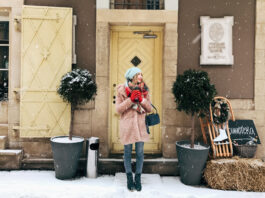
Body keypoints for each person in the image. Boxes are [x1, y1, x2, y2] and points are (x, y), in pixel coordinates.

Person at [115, 67, 152, 191]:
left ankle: (138, 178)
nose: (140, 77)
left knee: (140, 153)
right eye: (138, 74)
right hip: (128, 126)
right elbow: (118, 109)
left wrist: (142, 100)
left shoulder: (145, 90)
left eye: (141, 74)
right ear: (131, 77)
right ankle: (129, 178)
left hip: (141, 126)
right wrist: (130, 100)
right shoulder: (121, 90)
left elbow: (149, 108)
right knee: (127, 153)